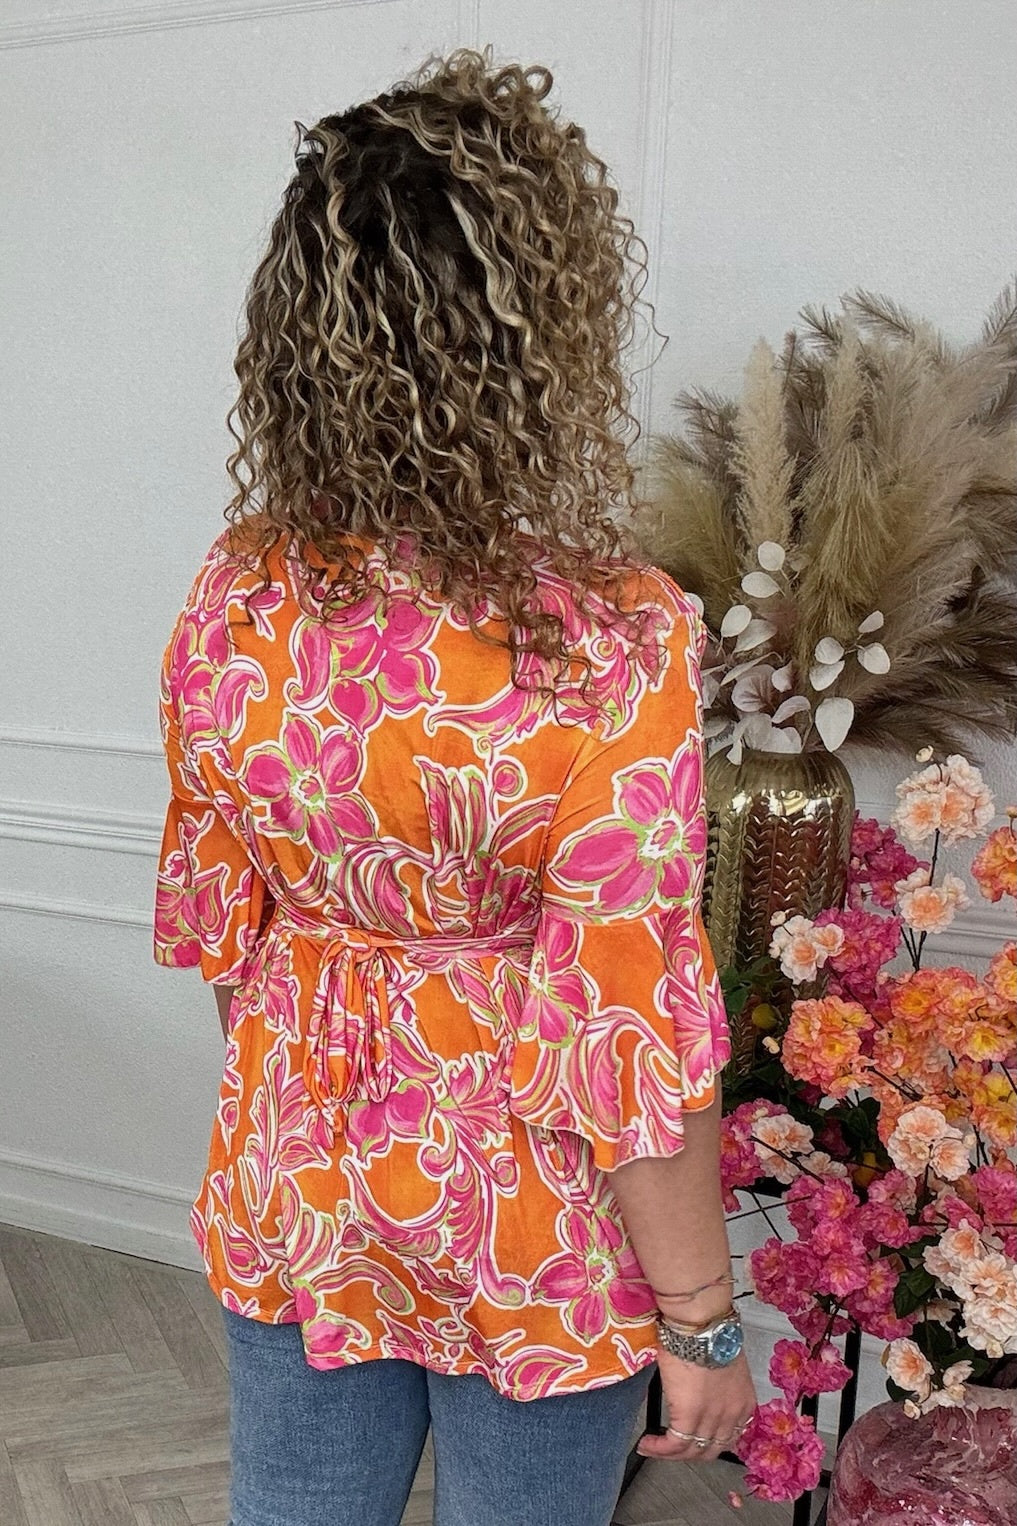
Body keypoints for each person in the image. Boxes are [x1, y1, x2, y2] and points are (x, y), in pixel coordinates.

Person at [154, 47, 757, 1526]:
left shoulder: (239, 596)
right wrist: (700, 1319)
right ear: (542, 333)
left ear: (297, 335)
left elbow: (228, 941)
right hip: (529, 1211)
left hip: (302, 1164)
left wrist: (323, 1107)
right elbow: (625, 1022)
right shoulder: (612, 636)